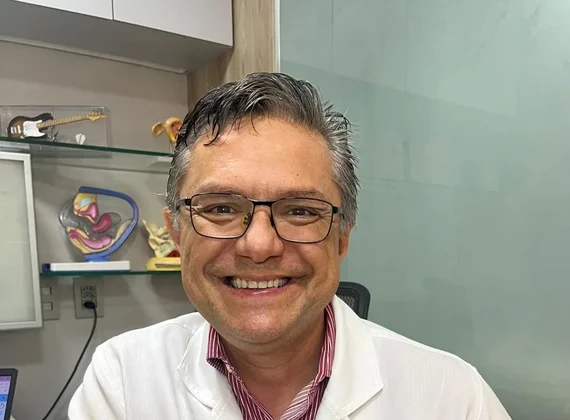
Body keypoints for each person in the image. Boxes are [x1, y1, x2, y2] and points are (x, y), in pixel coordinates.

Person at [68, 72, 512, 420]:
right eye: (220, 208)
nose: (259, 245)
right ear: (178, 234)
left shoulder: (453, 398)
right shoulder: (122, 382)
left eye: (300, 211)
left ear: (342, 237)